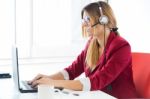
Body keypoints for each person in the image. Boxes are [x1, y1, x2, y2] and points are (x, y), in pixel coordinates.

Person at [28, 1, 138, 98]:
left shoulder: (122, 47)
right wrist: (47, 78)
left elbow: (96, 81)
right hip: (97, 96)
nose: (84, 24)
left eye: (88, 19)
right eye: (83, 20)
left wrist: (52, 83)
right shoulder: (92, 43)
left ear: (103, 20)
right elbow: (72, 71)